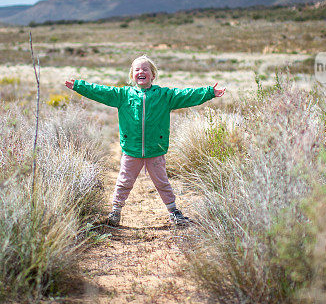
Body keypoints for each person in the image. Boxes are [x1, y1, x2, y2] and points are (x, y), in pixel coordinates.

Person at [64, 55, 225, 227]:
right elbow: (101, 91)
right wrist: (80, 86)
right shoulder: (123, 95)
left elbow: (187, 95)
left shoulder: (165, 96)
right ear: (132, 75)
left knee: (162, 183)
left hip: (155, 149)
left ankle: (174, 212)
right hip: (131, 150)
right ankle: (115, 212)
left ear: (153, 75)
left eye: (145, 69)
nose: (141, 72)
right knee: (124, 182)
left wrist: (209, 92)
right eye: (137, 69)